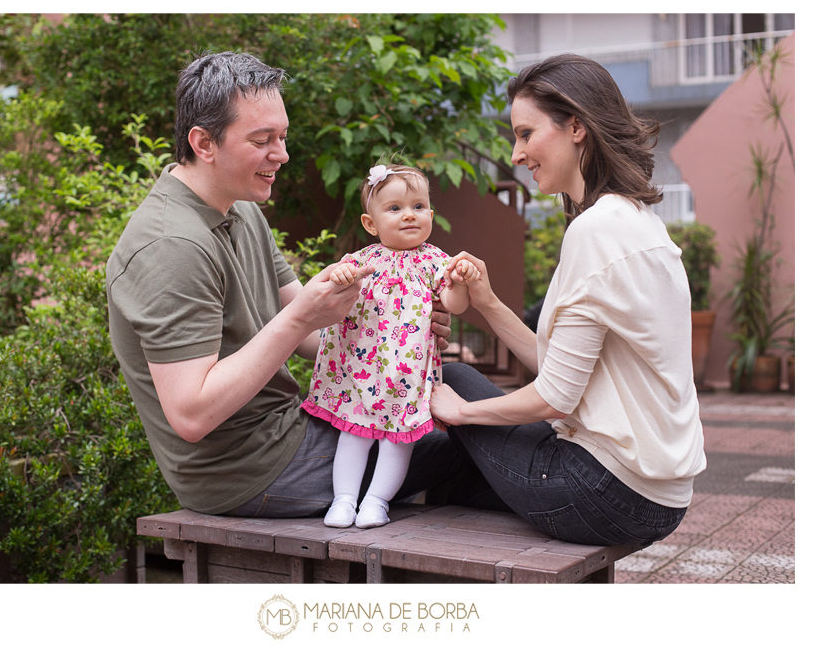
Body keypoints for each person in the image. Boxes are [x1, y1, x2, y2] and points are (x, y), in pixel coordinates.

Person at [106, 51, 498, 519]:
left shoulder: (241, 209)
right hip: (248, 470)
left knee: (448, 387)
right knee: (470, 443)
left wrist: (397, 334)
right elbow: (192, 415)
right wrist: (300, 316)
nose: (282, 154)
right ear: (204, 143)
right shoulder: (170, 246)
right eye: (262, 140)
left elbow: (319, 337)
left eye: (283, 137)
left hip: (290, 428)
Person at [430, 54, 707, 546]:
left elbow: (555, 397)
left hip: (606, 491)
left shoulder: (595, 230)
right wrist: (488, 302)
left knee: (452, 381)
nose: (517, 154)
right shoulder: (635, 219)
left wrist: (461, 412)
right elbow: (560, 370)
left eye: (525, 133)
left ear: (575, 127)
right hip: (658, 495)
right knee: (455, 477)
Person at [301, 164, 480, 528]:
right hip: (360, 370)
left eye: (418, 206)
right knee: (353, 434)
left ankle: (377, 501)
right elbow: (335, 289)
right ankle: (344, 499)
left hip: (406, 372)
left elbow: (454, 305)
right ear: (371, 223)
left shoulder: (436, 261)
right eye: (395, 208)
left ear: (431, 213)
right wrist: (340, 276)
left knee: (397, 440)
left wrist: (460, 283)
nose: (409, 215)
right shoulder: (362, 261)